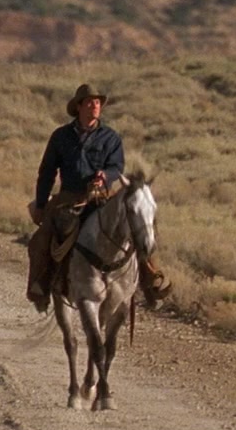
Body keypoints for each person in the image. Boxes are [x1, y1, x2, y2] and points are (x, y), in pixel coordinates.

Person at [25, 84, 170, 312]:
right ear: (79, 107)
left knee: (137, 227)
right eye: (90, 102)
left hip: (102, 197)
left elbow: (116, 166)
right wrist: (41, 205)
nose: (95, 106)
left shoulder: (111, 137)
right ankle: (41, 286)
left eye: (98, 103)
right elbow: (47, 172)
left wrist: (105, 176)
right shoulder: (60, 136)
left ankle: (150, 282)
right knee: (41, 239)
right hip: (69, 198)